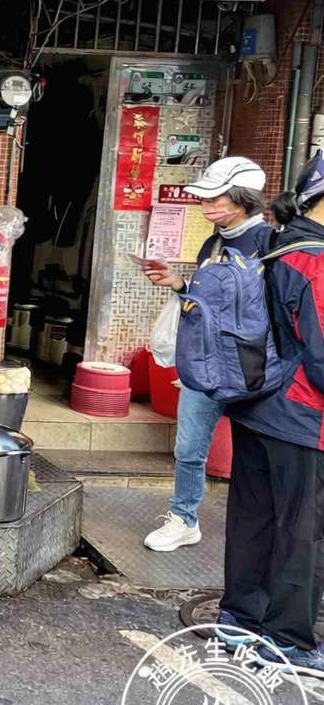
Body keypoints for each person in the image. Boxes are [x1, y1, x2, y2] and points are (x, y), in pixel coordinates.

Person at [218, 153, 324, 677]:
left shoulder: (277, 244)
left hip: (256, 404)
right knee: (302, 532)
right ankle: (289, 642)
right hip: (304, 416)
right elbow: (323, 359)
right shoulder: (317, 260)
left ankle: (238, 619)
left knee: (253, 519)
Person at [141, 156, 272, 553]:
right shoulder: (212, 242)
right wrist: (179, 283)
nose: (207, 206)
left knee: (257, 456)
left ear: (245, 200)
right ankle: (184, 518)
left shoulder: (271, 244)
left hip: (254, 369)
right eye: (207, 198)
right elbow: (207, 303)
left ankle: (263, 532)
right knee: (188, 448)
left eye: (218, 199)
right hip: (205, 365)